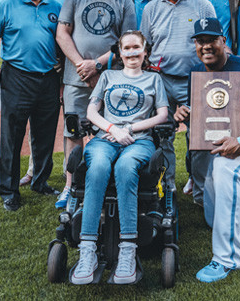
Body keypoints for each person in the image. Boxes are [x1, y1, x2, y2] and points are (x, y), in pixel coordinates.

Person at [174, 18, 240, 283]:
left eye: (212, 40)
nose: (206, 46)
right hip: (225, 148)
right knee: (214, 218)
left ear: (224, 42)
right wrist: (185, 113)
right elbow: (206, 117)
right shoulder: (197, 73)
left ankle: (226, 259)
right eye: (200, 41)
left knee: (225, 170)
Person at [71, 31, 169, 285]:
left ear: (145, 51)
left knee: (126, 168)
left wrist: (130, 130)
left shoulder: (153, 80)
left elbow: (162, 116)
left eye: (137, 48)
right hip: (106, 137)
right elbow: (92, 110)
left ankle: (128, 248)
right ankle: (88, 249)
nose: (132, 53)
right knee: (99, 167)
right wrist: (113, 129)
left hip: (140, 140)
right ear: (120, 53)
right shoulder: (107, 76)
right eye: (127, 48)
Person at [0, 0, 62, 211]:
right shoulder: (6, 5)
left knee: (45, 136)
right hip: (17, 78)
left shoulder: (55, 6)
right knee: (12, 138)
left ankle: (40, 181)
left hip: (48, 79)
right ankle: (9, 190)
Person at [57, 0, 137, 207]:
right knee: (74, 132)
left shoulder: (124, 1)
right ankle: (70, 186)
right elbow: (62, 33)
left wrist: (98, 65)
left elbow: (128, 42)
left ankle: (102, 184)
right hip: (75, 78)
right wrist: (83, 66)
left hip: (111, 80)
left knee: (109, 132)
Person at [19, 0, 91, 210]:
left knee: (73, 119)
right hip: (51, 62)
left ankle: (68, 173)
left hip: (76, 63)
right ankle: (35, 169)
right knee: (43, 120)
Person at [140, 0, 216, 195]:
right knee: (163, 137)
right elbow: (146, 47)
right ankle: (168, 188)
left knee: (199, 139)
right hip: (160, 81)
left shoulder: (202, 5)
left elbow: (213, 44)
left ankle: (201, 189)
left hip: (194, 82)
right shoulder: (151, 9)